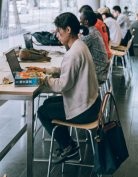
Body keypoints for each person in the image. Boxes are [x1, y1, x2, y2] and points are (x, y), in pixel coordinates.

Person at [37, 12, 101, 164]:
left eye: (59, 32)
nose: (57, 36)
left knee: (42, 111)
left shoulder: (73, 53)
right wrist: (54, 71)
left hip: (85, 110)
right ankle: (69, 144)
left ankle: (68, 146)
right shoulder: (80, 45)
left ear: (67, 30)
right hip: (91, 102)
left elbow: (63, 85)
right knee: (47, 104)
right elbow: (72, 72)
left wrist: (45, 79)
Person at [79, 10, 110, 85]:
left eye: (80, 19)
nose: (79, 21)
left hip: (98, 73)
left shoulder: (91, 35)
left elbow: (75, 47)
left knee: (73, 74)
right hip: (103, 69)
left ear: (86, 21)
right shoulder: (94, 31)